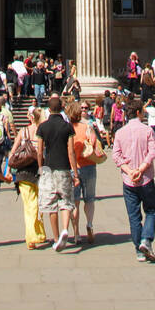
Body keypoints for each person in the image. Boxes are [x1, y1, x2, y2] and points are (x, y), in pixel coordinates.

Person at [113, 99, 155, 262]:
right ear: (139, 113)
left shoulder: (120, 133)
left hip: (128, 180)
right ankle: (146, 240)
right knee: (151, 211)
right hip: (145, 178)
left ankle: (139, 250)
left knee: (134, 216)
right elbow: (152, 152)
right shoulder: (147, 131)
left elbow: (116, 156)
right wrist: (141, 169)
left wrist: (130, 171)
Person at [36, 95, 80, 251]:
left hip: (48, 168)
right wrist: (75, 173)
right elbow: (71, 152)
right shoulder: (67, 127)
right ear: (61, 108)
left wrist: (41, 168)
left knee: (51, 204)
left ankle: (55, 238)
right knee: (66, 201)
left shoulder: (42, 127)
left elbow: (39, 151)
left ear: (48, 110)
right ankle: (66, 229)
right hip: (63, 167)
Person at [9, 107, 46, 249]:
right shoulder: (42, 132)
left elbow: (13, 151)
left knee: (30, 205)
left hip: (23, 171)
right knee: (37, 204)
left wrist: (8, 170)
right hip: (38, 170)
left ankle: (38, 233)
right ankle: (32, 236)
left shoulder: (23, 131)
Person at [69, 102, 101, 244]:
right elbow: (94, 144)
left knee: (74, 201)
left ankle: (76, 233)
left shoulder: (68, 129)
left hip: (73, 168)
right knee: (89, 199)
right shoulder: (88, 127)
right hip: (89, 165)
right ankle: (89, 224)